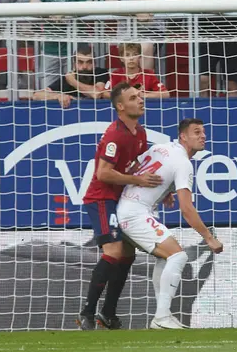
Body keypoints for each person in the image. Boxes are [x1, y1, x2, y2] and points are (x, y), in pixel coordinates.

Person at [116, 118, 224, 329]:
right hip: (134, 214)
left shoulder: (160, 148)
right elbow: (186, 209)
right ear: (183, 136)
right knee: (178, 255)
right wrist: (209, 238)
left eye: (203, 132)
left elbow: (134, 169)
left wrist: (164, 191)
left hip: (124, 208)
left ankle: (162, 315)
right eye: (196, 132)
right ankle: (162, 317)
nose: (203, 136)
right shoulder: (183, 163)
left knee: (166, 258)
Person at [77, 82, 162, 330]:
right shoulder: (115, 135)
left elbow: (140, 167)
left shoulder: (141, 133)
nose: (141, 99)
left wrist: (162, 190)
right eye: (134, 97)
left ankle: (109, 313)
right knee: (113, 251)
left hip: (123, 200)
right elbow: (103, 173)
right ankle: (87, 312)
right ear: (120, 106)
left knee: (127, 255)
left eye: (140, 95)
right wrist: (136, 180)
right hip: (102, 199)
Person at [30, 0, 92, 90]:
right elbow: (33, 5)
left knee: (78, 92)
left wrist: (61, 13)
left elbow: (88, 6)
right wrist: (53, 13)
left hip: (77, 52)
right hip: (50, 48)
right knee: (48, 93)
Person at [31, 44, 109, 108]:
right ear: (74, 64)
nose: (85, 66)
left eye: (89, 62)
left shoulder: (100, 73)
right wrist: (58, 96)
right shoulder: (67, 78)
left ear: (94, 64)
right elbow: (36, 95)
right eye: (80, 62)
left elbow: (96, 94)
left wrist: (73, 82)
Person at [103, 43, 169, 99]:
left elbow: (165, 94)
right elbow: (104, 93)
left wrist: (144, 95)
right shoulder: (116, 74)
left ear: (140, 57)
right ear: (121, 58)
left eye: (135, 54)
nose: (131, 58)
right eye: (127, 55)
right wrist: (123, 97)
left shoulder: (148, 74)